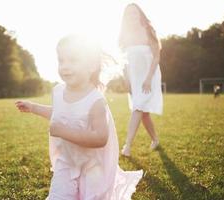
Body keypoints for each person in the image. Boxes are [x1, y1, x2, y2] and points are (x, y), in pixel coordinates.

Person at [15, 34, 143, 199]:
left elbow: (100, 138)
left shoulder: (96, 100)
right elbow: (60, 115)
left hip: (92, 166)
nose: (65, 66)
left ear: (91, 66)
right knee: (58, 196)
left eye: (73, 60)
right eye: (61, 60)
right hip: (66, 162)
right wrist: (33, 108)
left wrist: (63, 131)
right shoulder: (58, 91)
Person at [119, 3, 163, 156]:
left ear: (140, 14)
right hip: (134, 80)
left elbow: (157, 55)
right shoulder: (125, 36)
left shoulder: (148, 31)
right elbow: (125, 62)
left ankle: (127, 146)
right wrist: (127, 80)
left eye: (134, 13)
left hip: (150, 77)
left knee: (138, 107)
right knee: (143, 112)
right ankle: (155, 140)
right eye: (128, 14)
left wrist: (149, 78)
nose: (132, 16)